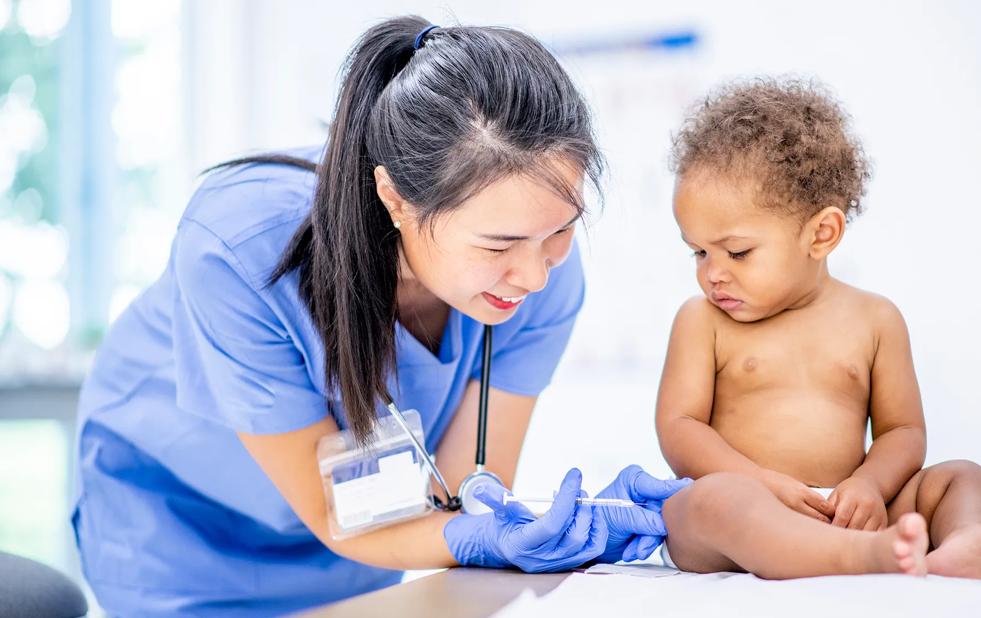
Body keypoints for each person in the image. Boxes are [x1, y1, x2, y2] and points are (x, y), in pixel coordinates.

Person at [72, 16, 687, 616]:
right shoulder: (238, 249)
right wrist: (479, 537)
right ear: (395, 197)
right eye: (498, 245)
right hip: (180, 539)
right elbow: (333, 511)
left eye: (562, 229)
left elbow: (457, 501)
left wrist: (566, 526)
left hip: (358, 557)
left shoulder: (541, 273)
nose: (534, 274)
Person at [654, 77, 981, 580]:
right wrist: (759, 481)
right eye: (698, 251)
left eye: (736, 252)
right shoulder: (702, 321)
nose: (712, 272)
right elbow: (680, 429)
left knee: (964, 478)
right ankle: (863, 558)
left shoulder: (875, 319)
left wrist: (868, 485)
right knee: (711, 501)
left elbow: (903, 431)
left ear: (821, 234)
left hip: (850, 510)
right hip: (746, 508)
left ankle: (966, 542)